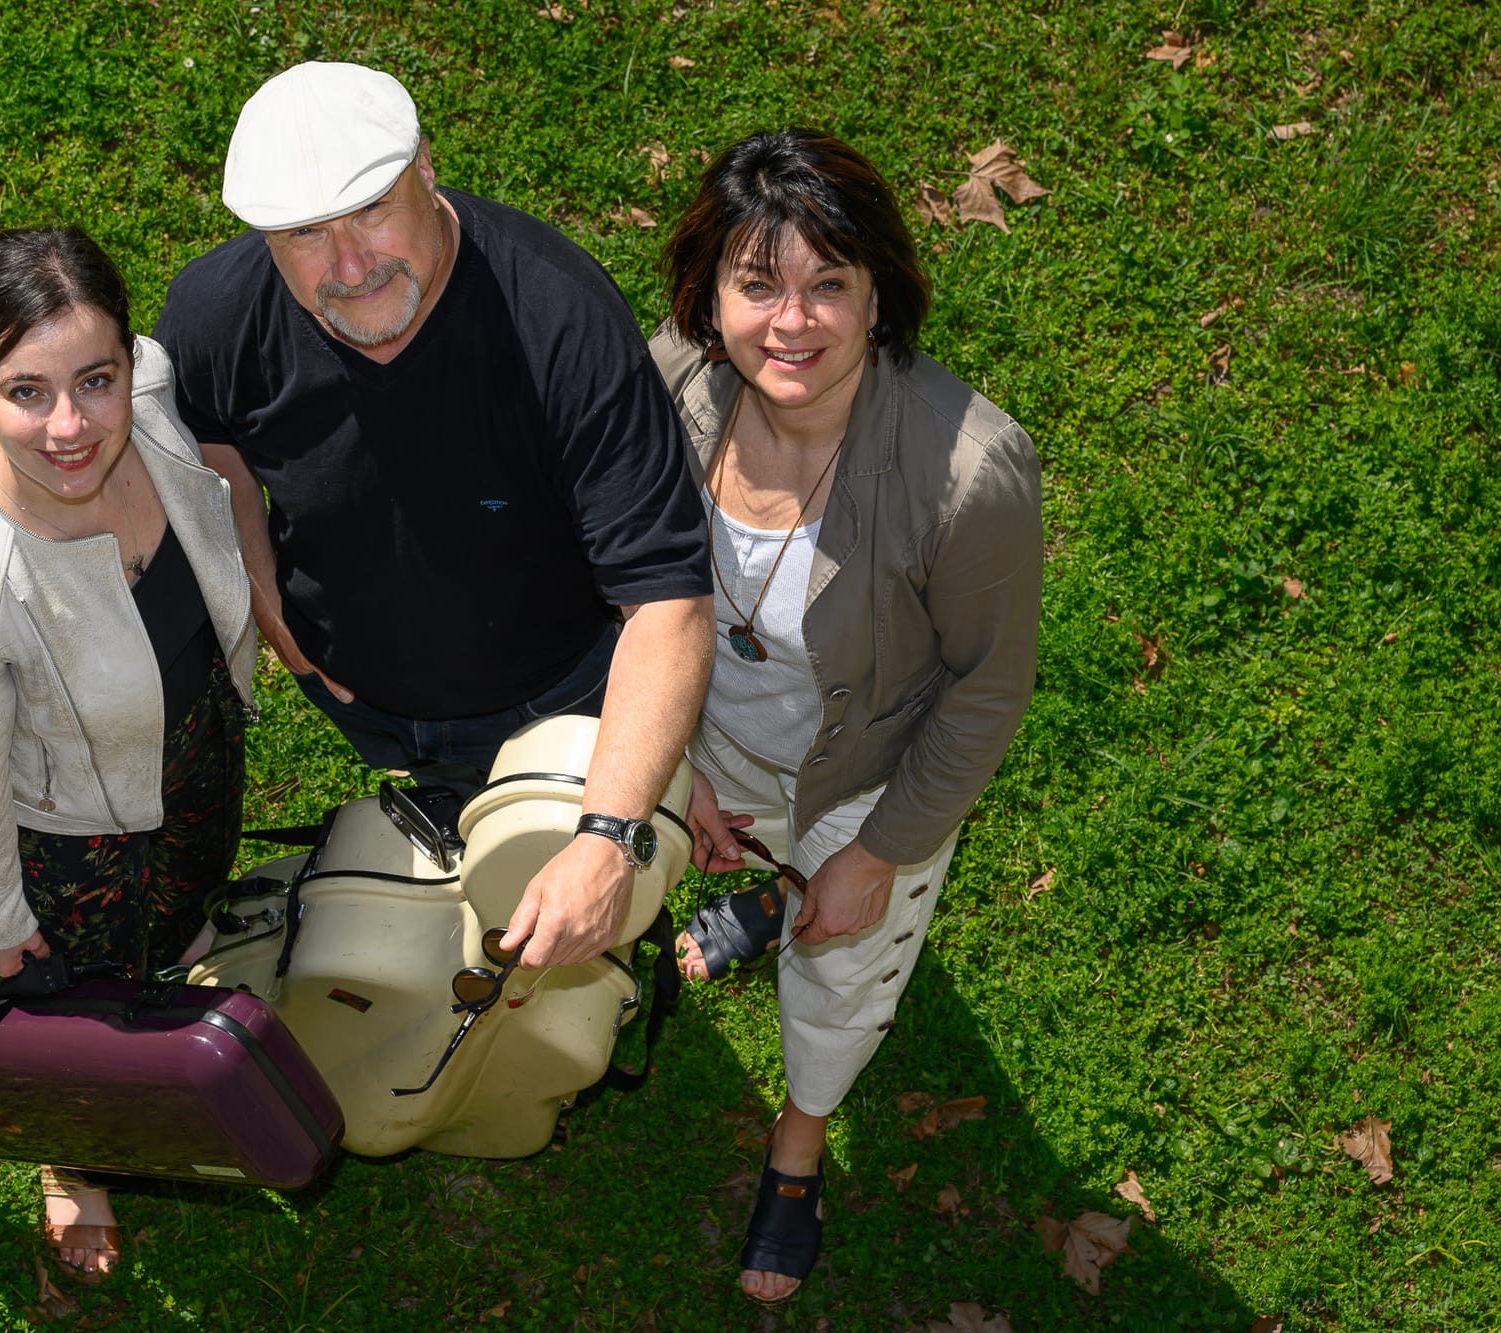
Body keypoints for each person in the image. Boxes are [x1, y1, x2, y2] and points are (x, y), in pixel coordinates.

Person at [155, 62, 715, 971]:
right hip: (355, 689)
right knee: (462, 833)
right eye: (303, 234)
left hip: (549, 693)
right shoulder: (215, 313)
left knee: (566, 902)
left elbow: (667, 600)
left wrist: (609, 836)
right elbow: (208, 433)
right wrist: (257, 578)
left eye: (372, 208)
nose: (350, 266)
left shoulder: (561, 322)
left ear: (425, 165)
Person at [651, 130, 1042, 1303]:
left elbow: (985, 688)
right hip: (709, 736)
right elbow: (619, 578)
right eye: (756, 283)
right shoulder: (669, 382)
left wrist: (875, 853)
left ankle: (798, 1141)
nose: (791, 323)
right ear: (707, 294)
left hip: (869, 774)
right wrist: (675, 765)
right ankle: (769, 892)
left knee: (843, 965)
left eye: (827, 282)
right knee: (738, 863)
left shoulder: (968, 472)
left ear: (879, 293)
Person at [0, 226, 256, 1282]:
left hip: (197, 745)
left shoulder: (154, 401)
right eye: (26, 392)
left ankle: (176, 958)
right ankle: (74, 1157)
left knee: (185, 904)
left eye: (95, 379)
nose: (70, 426)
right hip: (76, 837)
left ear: (130, 362)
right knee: (80, 1010)